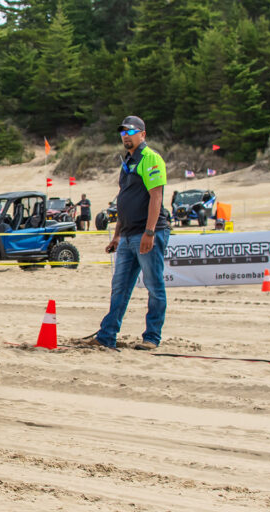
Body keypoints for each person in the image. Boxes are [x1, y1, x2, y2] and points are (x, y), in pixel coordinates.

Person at [85, 115, 170, 351]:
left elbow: (156, 197)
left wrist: (149, 232)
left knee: (154, 286)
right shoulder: (128, 161)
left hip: (148, 232)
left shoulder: (151, 158)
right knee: (119, 287)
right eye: (123, 132)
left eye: (131, 131)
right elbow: (124, 200)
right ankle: (106, 336)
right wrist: (117, 235)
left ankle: (152, 337)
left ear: (143, 134)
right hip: (128, 234)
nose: (126, 135)